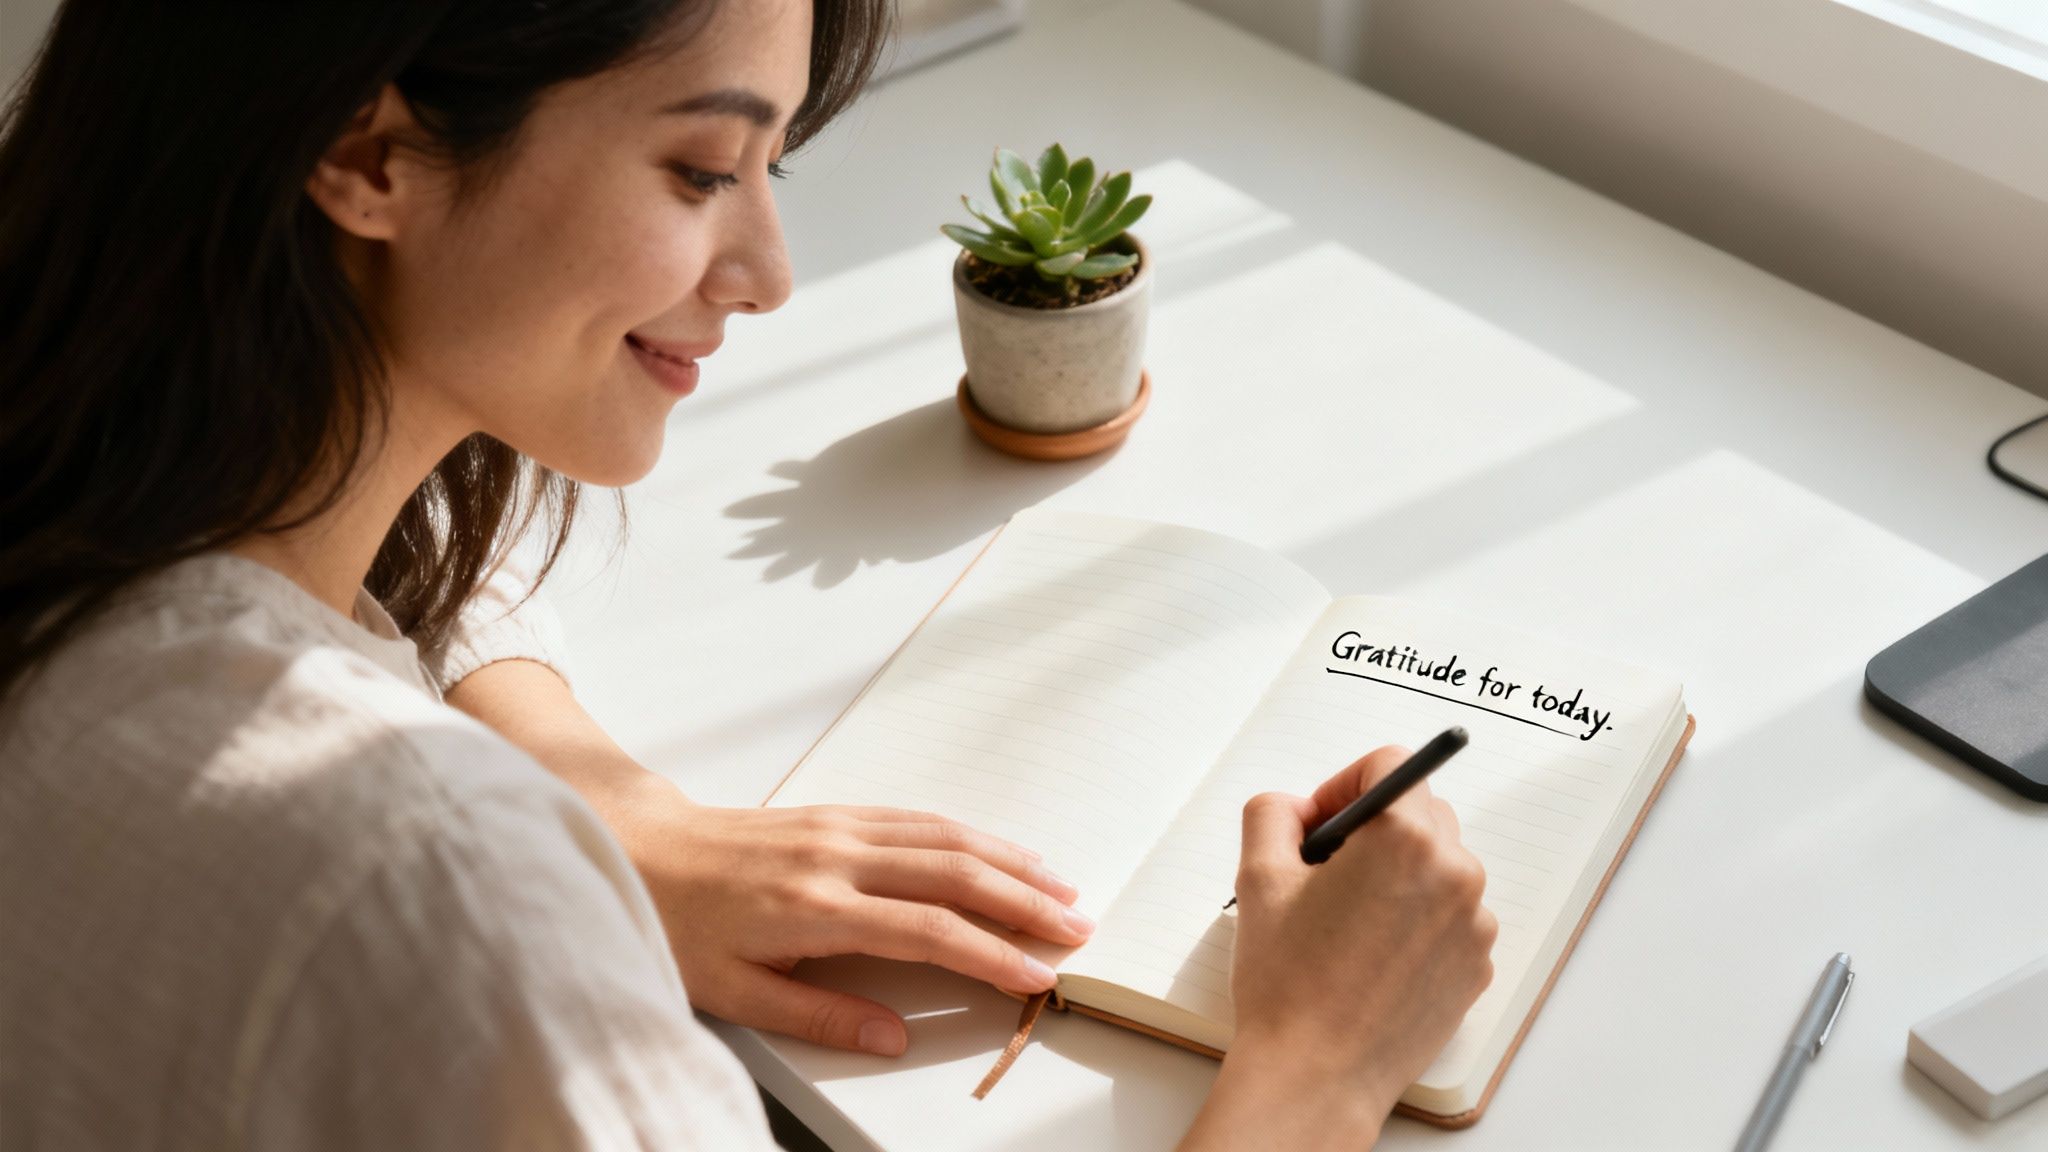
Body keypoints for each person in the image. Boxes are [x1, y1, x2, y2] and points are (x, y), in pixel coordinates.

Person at [0, 1, 1498, 1148]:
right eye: (701, 168)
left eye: (768, 166)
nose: (770, 272)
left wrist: (617, 800)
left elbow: (438, 533)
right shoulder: (440, 894)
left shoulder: (115, 423)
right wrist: (1322, 1071)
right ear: (363, 153)